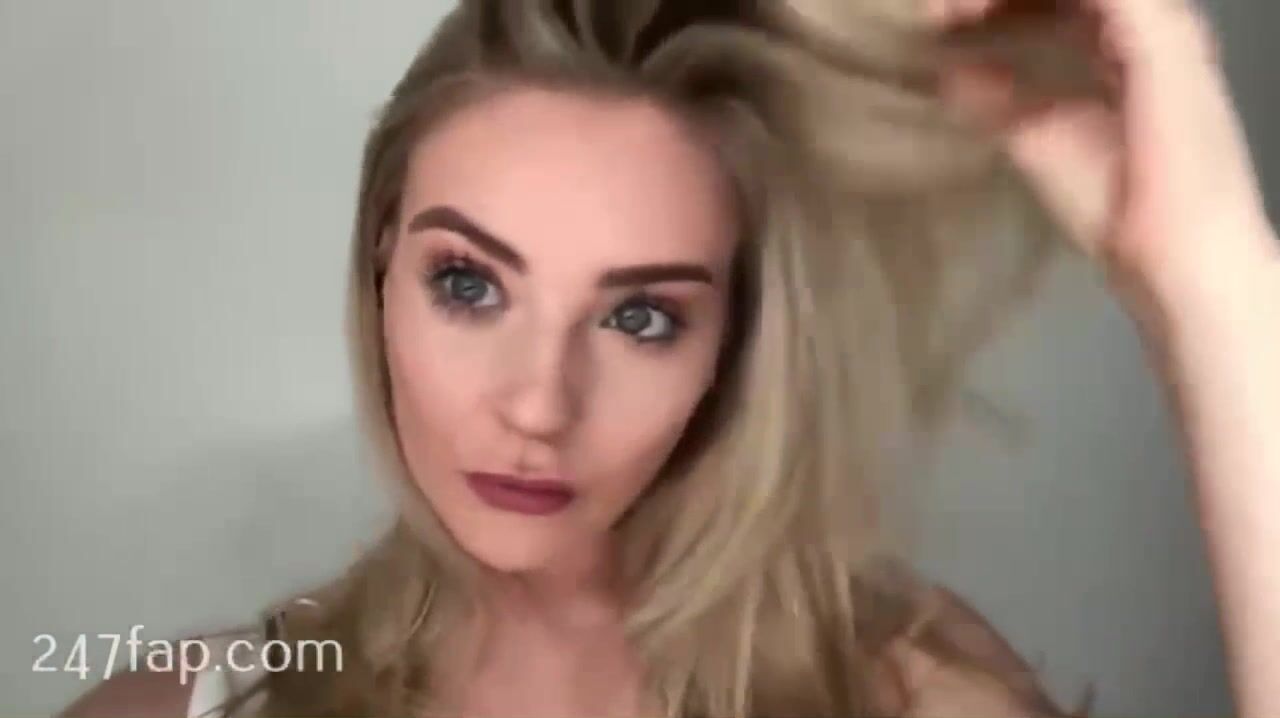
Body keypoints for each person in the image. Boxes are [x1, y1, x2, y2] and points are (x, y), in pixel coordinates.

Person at [62, 0, 1279, 716]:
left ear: (731, 344)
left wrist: (1211, 288)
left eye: (640, 318)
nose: (538, 403)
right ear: (379, 268)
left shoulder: (901, 690)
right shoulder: (192, 703)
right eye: (468, 284)